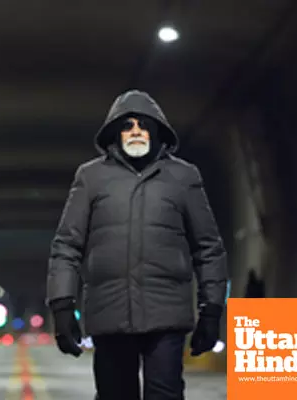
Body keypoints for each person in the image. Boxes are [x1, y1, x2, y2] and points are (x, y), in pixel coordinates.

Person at [46, 90, 228, 399]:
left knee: (165, 394)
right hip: (109, 312)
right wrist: (62, 305)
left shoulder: (183, 177)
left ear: (157, 131)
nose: (135, 131)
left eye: (143, 125)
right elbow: (67, 245)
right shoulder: (91, 177)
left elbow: (208, 248)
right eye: (127, 125)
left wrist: (211, 310)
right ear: (115, 132)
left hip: (166, 313)